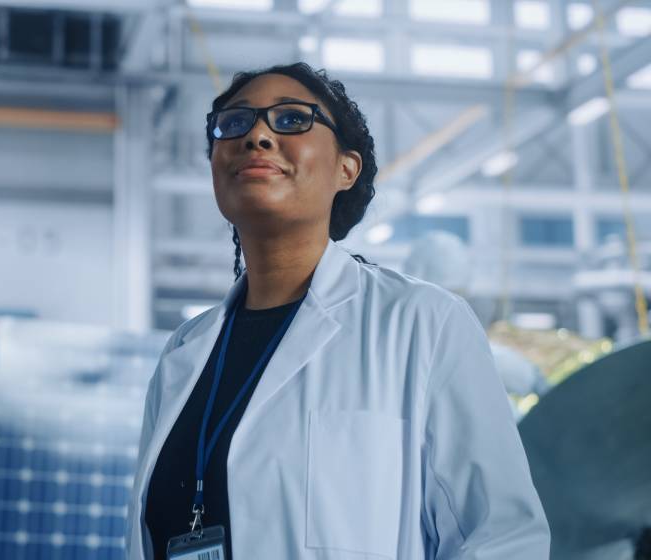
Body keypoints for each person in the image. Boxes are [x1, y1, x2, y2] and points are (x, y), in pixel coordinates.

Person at [126, 62, 550, 559]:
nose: (257, 134)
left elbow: (501, 538)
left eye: (291, 119)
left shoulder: (421, 323)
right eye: (234, 123)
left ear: (346, 169)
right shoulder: (185, 352)